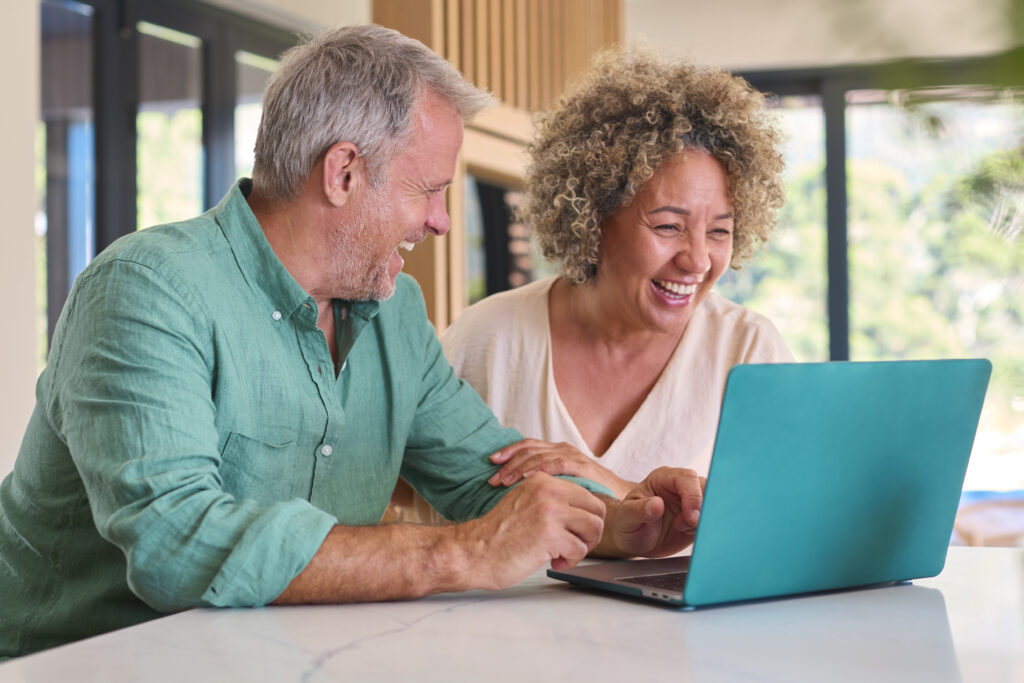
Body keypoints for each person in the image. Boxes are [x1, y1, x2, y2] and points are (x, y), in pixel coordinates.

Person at [0, 27, 705, 659]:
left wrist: (622, 525)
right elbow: (176, 543)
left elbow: (483, 477)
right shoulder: (146, 290)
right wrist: (461, 553)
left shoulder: (395, 312)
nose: (440, 222)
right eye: (429, 190)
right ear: (342, 173)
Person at [442, 50, 793, 499]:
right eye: (668, 226)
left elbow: (780, 522)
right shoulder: (487, 339)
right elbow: (408, 492)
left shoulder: (748, 350)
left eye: (720, 231)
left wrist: (606, 482)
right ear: (594, 216)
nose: (699, 260)